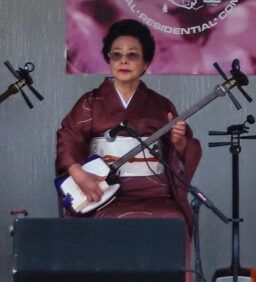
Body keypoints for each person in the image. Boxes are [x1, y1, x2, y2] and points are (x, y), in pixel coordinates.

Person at [57, 19, 200, 234]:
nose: (123, 61)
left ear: (146, 63)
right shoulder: (90, 103)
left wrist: (179, 144)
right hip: (101, 191)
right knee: (99, 223)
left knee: (173, 220)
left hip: (154, 193)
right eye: (116, 54)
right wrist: (79, 174)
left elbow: (180, 154)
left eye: (132, 55)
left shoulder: (161, 105)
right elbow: (68, 139)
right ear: (109, 59)